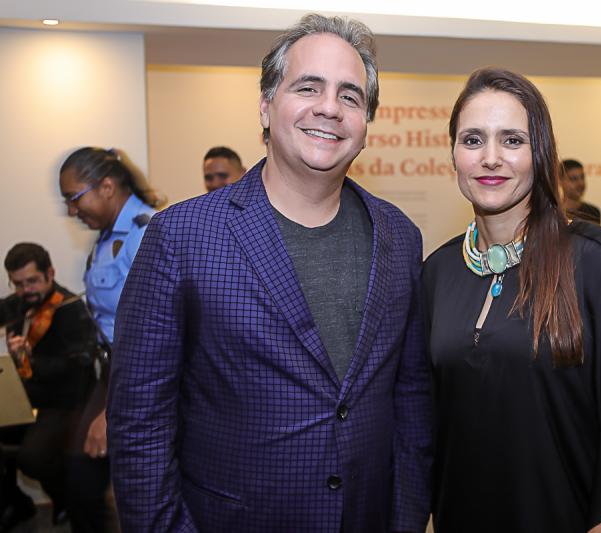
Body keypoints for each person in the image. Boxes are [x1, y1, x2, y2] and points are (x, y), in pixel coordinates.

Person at [108, 13, 433, 533]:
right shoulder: (180, 236)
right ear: (265, 105)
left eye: (350, 96)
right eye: (308, 87)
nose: (330, 107)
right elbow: (139, 422)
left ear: (365, 124)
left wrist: (406, 520)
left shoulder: (400, 237)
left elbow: (411, 400)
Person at [423, 68, 601, 532]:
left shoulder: (598, 263)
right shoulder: (437, 273)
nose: (490, 158)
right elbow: (427, 425)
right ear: (453, 155)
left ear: (541, 152)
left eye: (512, 140)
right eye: (472, 140)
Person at [58, 146, 165, 532]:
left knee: (129, 492)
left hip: (141, 374)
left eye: (74, 198)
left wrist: (114, 409)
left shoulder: (146, 233)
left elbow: (159, 335)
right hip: (113, 370)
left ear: (106, 187)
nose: (72, 210)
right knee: (83, 484)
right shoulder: (107, 237)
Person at [0, 243, 96, 530]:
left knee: (33, 459)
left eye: (32, 281)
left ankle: (66, 498)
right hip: (29, 399)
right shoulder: (18, 304)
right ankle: (16, 505)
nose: (25, 290)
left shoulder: (70, 308)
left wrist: (31, 360)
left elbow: (78, 365)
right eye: (18, 284)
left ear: (50, 273)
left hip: (65, 400)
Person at [560, 158, 601, 224]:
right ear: (560, 181)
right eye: (573, 179)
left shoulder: (593, 212)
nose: (581, 183)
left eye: (582, 177)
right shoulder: (553, 212)